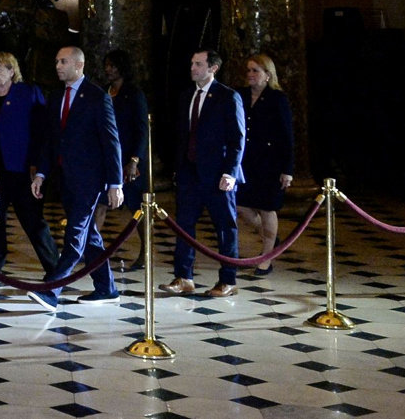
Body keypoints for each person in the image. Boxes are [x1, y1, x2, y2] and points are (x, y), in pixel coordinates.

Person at [28, 45, 124, 307]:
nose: (58, 66)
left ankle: (52, 289)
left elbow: (111, 141)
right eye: (57, 61)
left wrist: (115, 183)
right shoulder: (57, 96)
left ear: (79, 65)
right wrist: (42, 174)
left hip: (90, 180)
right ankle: (107, 288)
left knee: (75, 234)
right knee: (89, 235)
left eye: (63, 61)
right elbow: (51, 140)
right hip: (65, 179)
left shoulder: (96, 97)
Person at [162, 48, 247, 298]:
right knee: (185, 226)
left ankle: (228, 280)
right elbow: (182, 135)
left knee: (224, 227)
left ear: (213, 68)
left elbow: (237, 138)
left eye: (198, 64)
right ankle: (184, 277)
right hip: (190, 173)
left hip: (218, 174)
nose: (192, 68)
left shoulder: (227, 97)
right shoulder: (187, 95)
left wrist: (231, 172)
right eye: (192, 63)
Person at [0, 51, 60, 281]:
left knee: (32, 221)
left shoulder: (27, 93)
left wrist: (38, 166)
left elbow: (41, 131)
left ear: (12, 71)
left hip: (23, 169)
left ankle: (55, 267)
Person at [235, 53, 295, 275]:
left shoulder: (277, 99)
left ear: (267, 75)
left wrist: (287, 169)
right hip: (246, 161)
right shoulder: (240, 95)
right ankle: (270, 235)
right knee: (240, 204)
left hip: (270, 162)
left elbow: (287, 136)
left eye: (255, 71)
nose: (250, 75)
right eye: (249, 70)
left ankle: (267, 257)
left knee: (267, 208)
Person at [98, 48, 152, 270]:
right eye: (107, 65)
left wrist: (134, 160)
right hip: (108, 157)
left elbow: (142, 130)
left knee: (136, 207)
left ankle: (146, 252)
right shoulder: (104, 92)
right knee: (100, 203)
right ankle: (89, 249)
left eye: (113, 65)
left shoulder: (134, 93)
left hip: (130, 159)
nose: (108, 69)